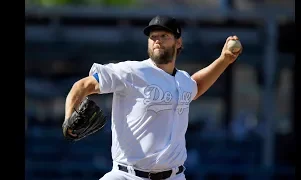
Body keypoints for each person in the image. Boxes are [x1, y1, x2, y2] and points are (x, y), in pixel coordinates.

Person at [64, 15, 242, 180]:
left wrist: (224, 60)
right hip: (127, 175)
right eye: (153, 36)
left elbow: (198, 86)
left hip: (174, 176)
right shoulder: (131, 72)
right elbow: (82, 86)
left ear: (178, 42)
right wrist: (68, 117)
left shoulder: (183, 81)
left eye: (164, 35)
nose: (157, 40)